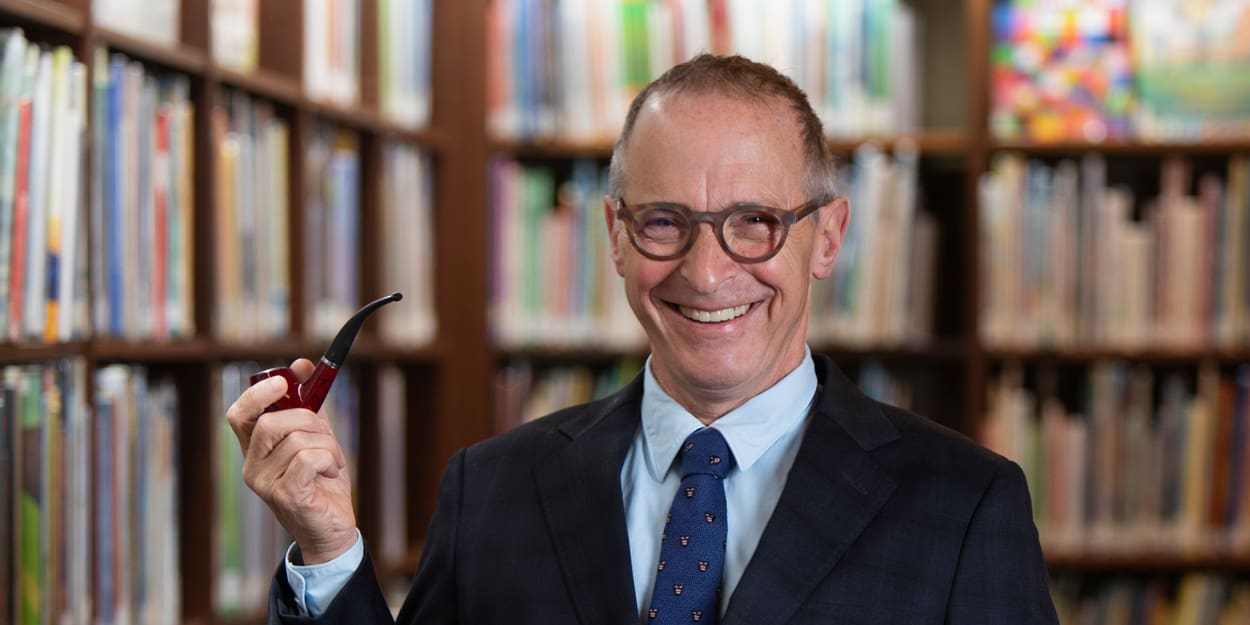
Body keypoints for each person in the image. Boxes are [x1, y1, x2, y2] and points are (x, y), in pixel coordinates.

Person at [227, 54, 1059, 625]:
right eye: (666, 221)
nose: (705, 271)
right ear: (616, 235)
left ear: (829, 237)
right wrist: (329, 548)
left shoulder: (964, 506)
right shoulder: (493, 489)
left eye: (754, 223)